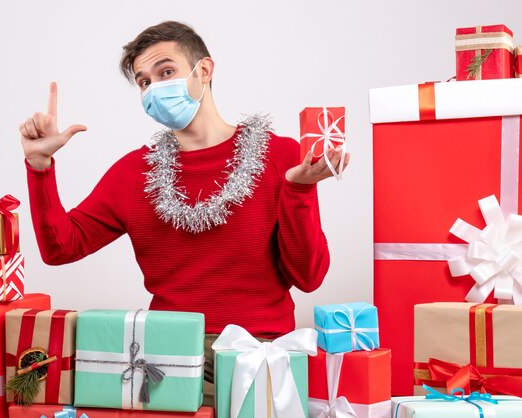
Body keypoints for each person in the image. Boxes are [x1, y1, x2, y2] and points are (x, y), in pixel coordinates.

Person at [19, 20, 349, 406]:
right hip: (167, 358)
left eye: (166, 72)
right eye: (144, 82)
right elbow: (60, 248)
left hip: (258, 356)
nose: (154, 88)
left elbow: (309, 277)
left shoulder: (282, 156)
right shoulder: (133, 173)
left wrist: (298, 190)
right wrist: (40, 168)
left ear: (204, 71)